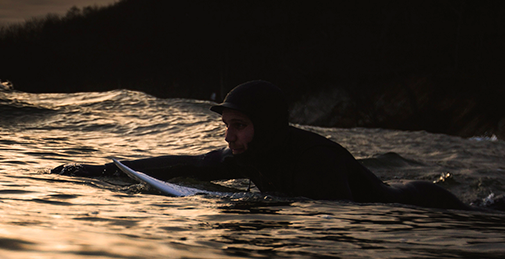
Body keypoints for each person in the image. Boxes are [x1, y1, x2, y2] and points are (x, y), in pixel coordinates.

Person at [53, 80, 470, 209]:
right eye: (228, 125)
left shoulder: (315, 162)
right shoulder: (253, 153)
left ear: (265, 127)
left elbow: (349, 222)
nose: (228, 135)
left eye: (239, 125)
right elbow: (192, 164)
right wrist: (100, 171)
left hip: (423, 205)